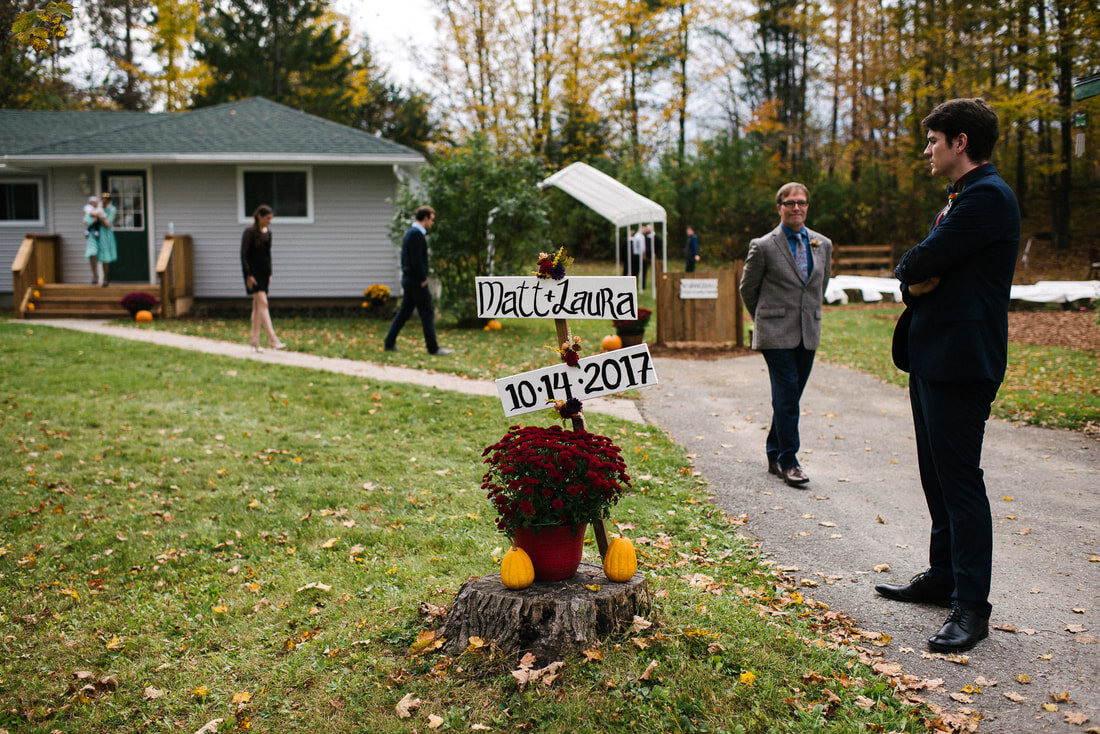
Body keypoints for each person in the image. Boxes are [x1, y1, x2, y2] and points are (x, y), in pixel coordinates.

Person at [876, 98, 1019, 654]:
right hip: (935, 355)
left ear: (961, 142)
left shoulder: (987, 198)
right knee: (936, 476)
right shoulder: (962, 197)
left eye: (934, 140)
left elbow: (916, 263)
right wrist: (916, 280)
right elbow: (918, 273)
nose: (927, 149)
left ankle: (972, 607)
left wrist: (914, 276)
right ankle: (942, 578)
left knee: (960, 482)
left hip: (963, 361)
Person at [739, 182, 832, 489]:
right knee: (788, 392)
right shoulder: (763, 245)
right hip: (774, 332)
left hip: (809, 330)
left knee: (790, 395)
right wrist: (764, 318)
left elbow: (821, 286)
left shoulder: (823, 244)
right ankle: (789, 461)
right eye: (790, 203)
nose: (796, 207)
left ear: (807, 206)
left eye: (801, 202)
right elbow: (747, 288)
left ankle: (774, 451)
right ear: (779, 207)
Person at [383, 205, 453, 355]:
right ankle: (433, 348)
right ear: (426, 218)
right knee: (427, 312)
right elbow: (417, 260)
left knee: (404, 312)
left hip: (409, 279)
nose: (432, 223)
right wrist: (422, 279)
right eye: (432, 220)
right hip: (416, 281)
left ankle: (389, 342)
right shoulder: (416, 234)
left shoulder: (411, 233)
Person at [240, 204, 285, 352]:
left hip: (264, 273)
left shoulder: (268, 233)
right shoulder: (249, 233)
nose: (269, 221)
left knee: (258, 307)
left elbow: (268, 255)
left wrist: (270, 272)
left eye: (271, 218)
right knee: (263, 303)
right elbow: (244, 255)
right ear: (259, 216)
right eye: (267, 218)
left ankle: (255, 340)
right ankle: (273, 339)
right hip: (253, 274)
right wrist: (248, 275)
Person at [84, 192, 117, 286]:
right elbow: (86, 220)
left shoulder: (112, 209)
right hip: (94, 234)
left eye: (106, 199)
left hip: (105, 235)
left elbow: (108, 224)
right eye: (102, 198)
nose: (104, 201)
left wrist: (100, 216)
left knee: (105, 257)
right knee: (92, 252)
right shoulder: (96, 208)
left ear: (109, 200)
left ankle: (105, 279)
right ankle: (95, 275)